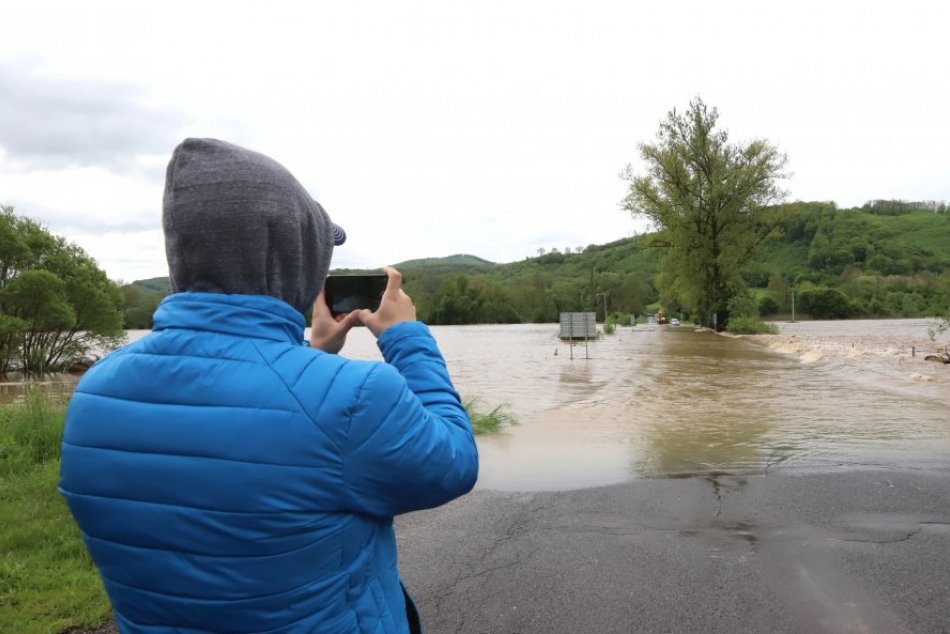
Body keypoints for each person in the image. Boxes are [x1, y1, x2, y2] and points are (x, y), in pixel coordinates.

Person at [59, 138, 479, 633]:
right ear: (293, 258)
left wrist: (311, 354)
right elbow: (452, 462)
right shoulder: (356, 395)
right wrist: (407, 338)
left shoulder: (96, 391)